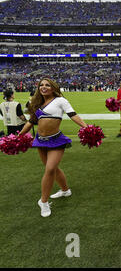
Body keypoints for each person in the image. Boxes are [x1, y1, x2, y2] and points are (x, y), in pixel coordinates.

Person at [18, 78, 88, 217]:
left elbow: (73, 115)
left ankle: (43, 201)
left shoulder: (60, 100)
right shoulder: (38, 103)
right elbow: (31, 122)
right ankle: (65, 190)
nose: (44, 87)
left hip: (56, 140)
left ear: (53, 87)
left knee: (49, 169)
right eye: (41, 85)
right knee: (53, 169)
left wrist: (87, 128)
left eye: (47, 85)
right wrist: (18, 135)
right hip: (40, 140)